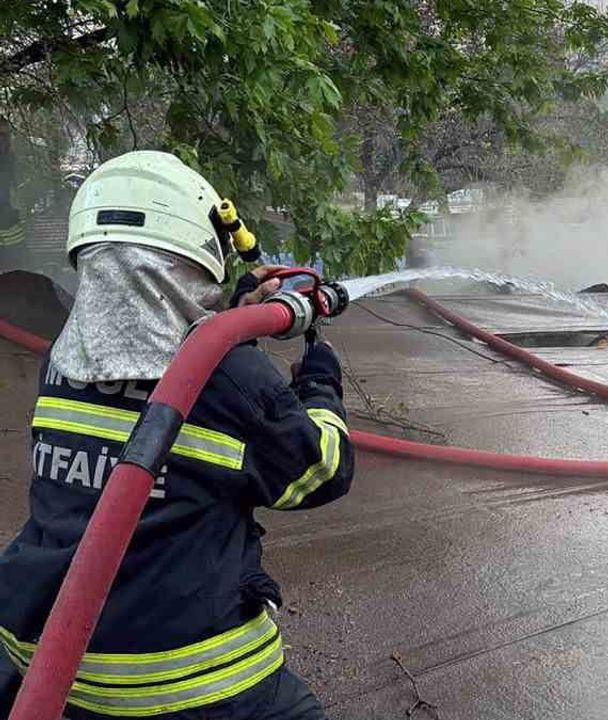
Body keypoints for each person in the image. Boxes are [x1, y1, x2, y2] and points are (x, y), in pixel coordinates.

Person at [0, 151, 354, 720]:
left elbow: (151, 342)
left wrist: (232, 319)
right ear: (193, 255)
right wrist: (321, 381)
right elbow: (321, 474)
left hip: (42, 657)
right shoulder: (228, 376)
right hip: (180, 676)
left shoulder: (64, 358)